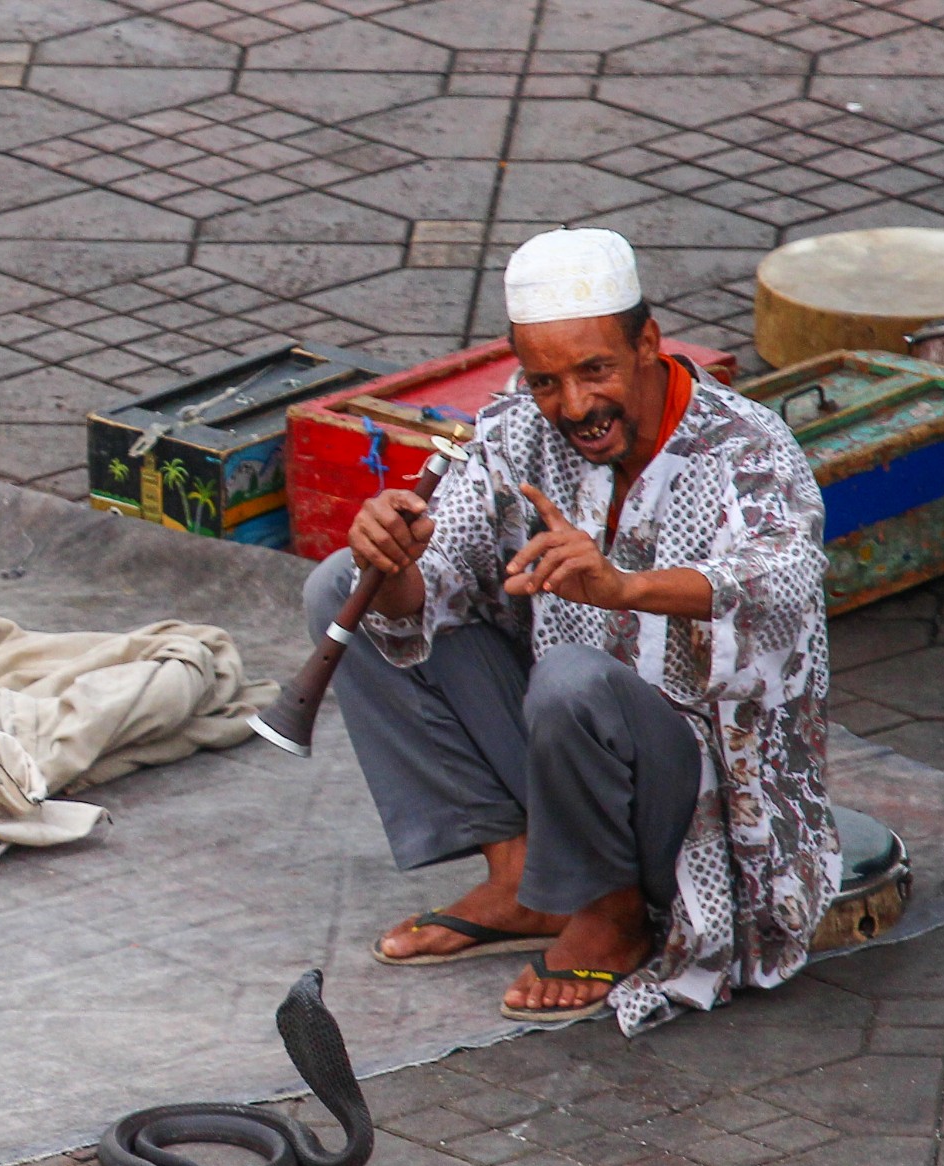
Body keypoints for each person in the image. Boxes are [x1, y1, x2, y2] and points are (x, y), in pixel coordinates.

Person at [304, 227, 838, 1033]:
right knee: (346, 587)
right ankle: (526, 875)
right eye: (547, 380)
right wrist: (396, 555)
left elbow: (787, 581)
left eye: (597, 370)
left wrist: (625, 587)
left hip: (702, 791)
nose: (576, 406)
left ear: (648, 345)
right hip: (569, 754)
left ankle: (613, 910)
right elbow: (440, 579)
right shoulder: (518, 428)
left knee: (573, 676)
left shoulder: (747, 447)